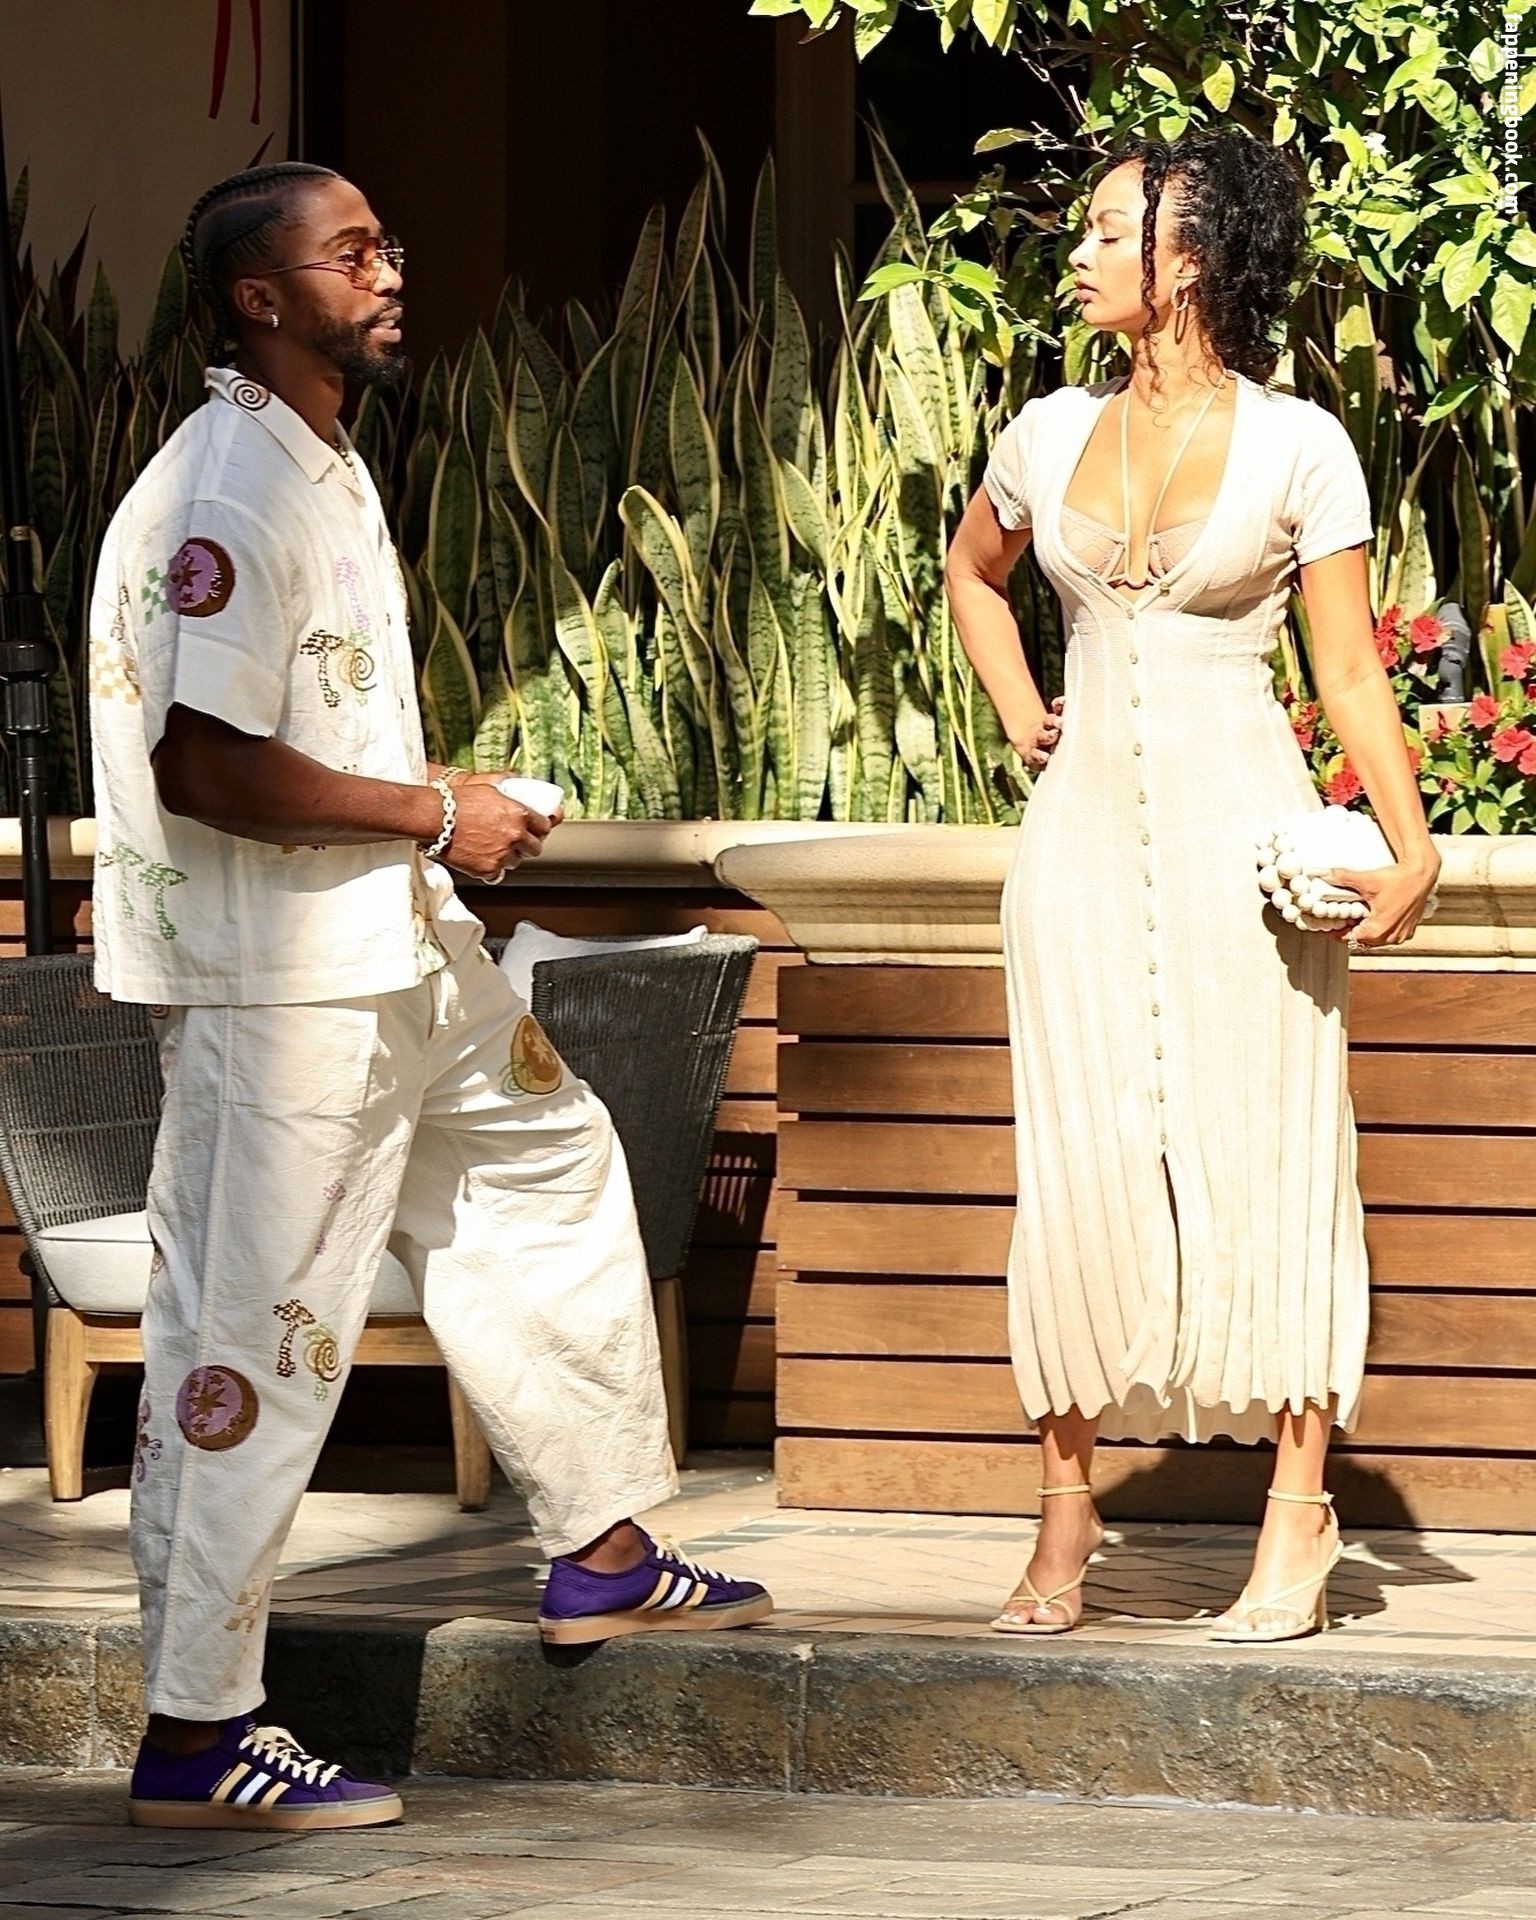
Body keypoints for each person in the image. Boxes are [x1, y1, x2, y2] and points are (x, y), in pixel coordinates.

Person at [88, 162, 771, 1833]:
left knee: (548, 1156)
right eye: (351, 253)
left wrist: (429, 821)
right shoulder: (226, 489)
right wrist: (433, 810)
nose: (391, 271)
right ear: (260, 297)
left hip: (390, 944)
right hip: (284, 984)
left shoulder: (316, 462)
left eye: (389, 244)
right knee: (255, 1335)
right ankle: (197, 1733)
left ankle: (604, 1547)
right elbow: (201, 765)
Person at [944, 130, 1439, 1643]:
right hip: (1077, 851)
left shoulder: (1301, 447)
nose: (1082, 255)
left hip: (1248, 845)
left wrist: (1411, 841)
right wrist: (1019, 705)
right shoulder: (1043, 434)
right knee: (1079, 1165)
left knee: (1272, 1157)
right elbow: (971, 574)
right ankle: (1065, 1512)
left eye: (1112, 232)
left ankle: (1298, 1517)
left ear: (1191, 257)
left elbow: (1346, 666)